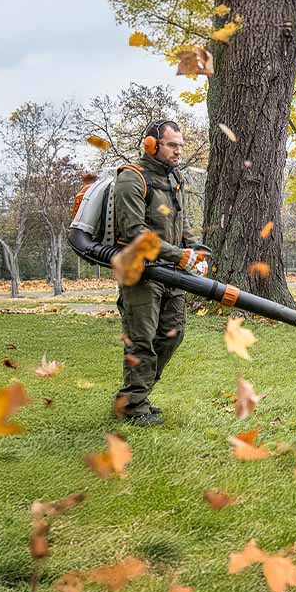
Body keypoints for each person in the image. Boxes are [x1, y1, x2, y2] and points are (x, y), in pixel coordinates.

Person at [113, 120, 206, 426]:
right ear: (151, 144)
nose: (179, 150)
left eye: (181, 145)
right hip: (142, 275)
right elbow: (135, 232)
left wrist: (196, 250)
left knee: (173, 334)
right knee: (142, 340)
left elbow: (182, 224)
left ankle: (135, 396)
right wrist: (180, 255)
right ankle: (134, 406)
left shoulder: (173, 177)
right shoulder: (132, 178)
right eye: (172, 145)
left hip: (171, 275)